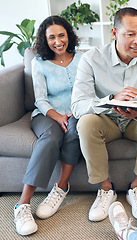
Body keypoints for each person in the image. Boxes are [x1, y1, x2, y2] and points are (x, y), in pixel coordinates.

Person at [71, 7, 137, 222]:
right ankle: (106, 189)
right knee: (85, 123)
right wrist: (111, 99)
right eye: (130, 34)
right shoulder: (91, 59)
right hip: (107, 120)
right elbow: (78, 105)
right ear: (114, 33)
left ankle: (136, 187)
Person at [13, 16, 83, 236]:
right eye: (51, 37)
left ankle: (61, 187)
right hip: (47, 113)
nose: (58, 41)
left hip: (77, 113)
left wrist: (74, 113)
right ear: (45, 39)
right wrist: (58, 116)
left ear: (68, 35)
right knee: (51, 138)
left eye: (61, 35)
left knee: (74, 132)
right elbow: (40, 99)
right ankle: (22, 205)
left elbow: (90, 90)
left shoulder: (83, 58)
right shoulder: (38, 63)